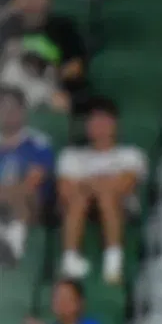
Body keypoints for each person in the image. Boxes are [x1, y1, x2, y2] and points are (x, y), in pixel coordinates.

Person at [55, 96, 147, 283]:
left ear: (115, 124)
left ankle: (113, 261)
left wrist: (87, 184)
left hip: (122, 207)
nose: (99, 126)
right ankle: (70, 259)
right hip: (82, 206)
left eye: (104, 120)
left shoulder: (130, 155)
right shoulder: (71, 156)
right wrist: (100, 183)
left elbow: (125, 185)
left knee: (106, 196)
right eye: (94, 121)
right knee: (78, 198)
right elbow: (65, 190)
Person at [0, 87, 54, 265]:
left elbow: (32, 182)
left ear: (23, 111)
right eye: (2, 107)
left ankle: (13, 247)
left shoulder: (37, 142)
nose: (7, 113)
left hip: (33, 207)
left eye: (13, 108)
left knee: (23, 193)